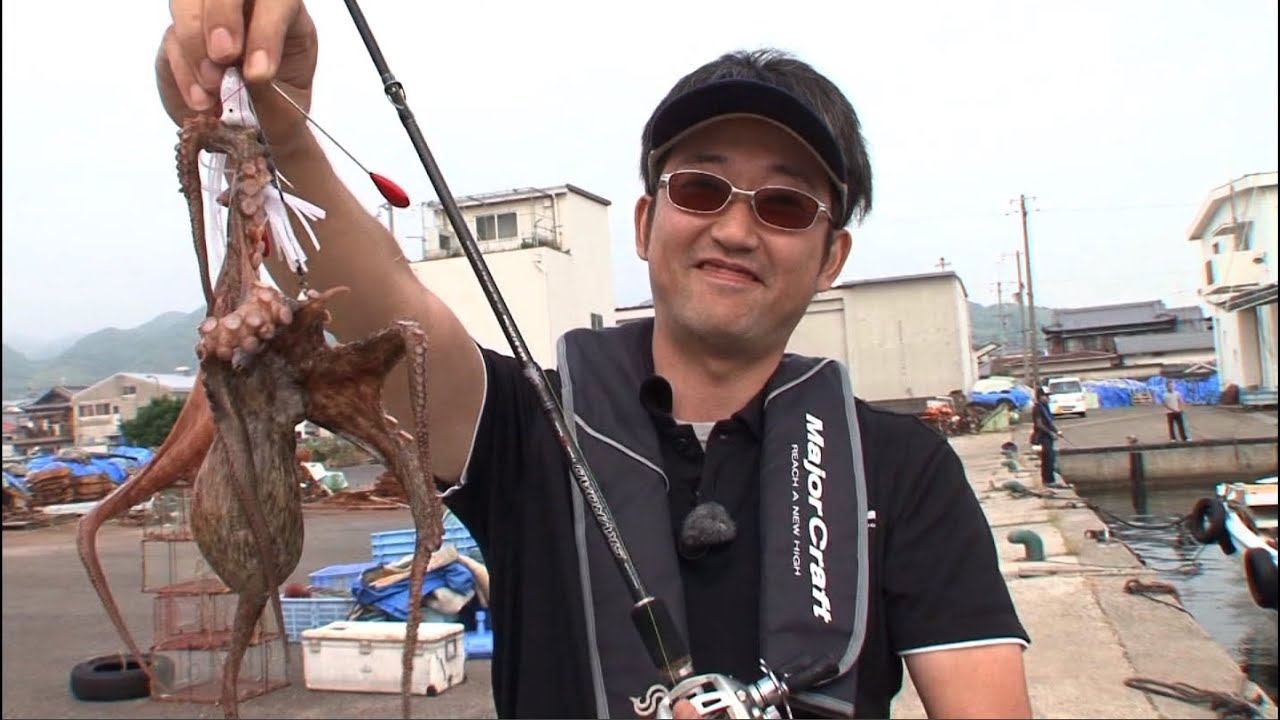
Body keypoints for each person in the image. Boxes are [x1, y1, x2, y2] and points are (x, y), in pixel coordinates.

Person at [155, 3, 1032, 717]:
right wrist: (279, 120)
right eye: (700, 187)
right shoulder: (524, 430)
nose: (733, 228)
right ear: (648, 225)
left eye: (783, 204)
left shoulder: (906, 471)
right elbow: (392, 305)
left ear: (831, 257)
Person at [1031, 387, 1065, 488]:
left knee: (1051, 458)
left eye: (1048, 396)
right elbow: (1039, 424)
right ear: (1040, 397)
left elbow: (1049, 422)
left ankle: (1050, 480)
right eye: (1045, 396)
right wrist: (1051, 433)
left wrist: (1057, 431)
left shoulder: (1045, 407)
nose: (1047, 398)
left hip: (1048, 436)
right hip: (1042, 436)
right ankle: (1048, 481)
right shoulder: (1037, 408)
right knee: (1048, 458)